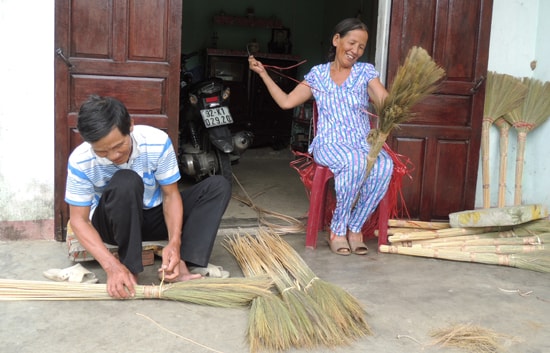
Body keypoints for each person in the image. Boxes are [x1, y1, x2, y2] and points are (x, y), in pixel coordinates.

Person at [249, 18, 393, 256]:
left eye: (361, 47)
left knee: (384, 165)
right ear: (337, 40)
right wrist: (263, 74)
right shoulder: (318, 75)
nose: (355, 51)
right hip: (330, 143)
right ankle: (337, 230)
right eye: (352, 43)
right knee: (356, 162)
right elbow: (286, 102)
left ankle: (355, 227)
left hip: (360, 141)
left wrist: (392, 103)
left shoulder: (365, 72)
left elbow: (386, 104)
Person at [65, 95, 232, 298]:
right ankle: (129, 268)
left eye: (119, 146)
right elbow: (78, 220)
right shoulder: (80, 160)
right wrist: (112, 267)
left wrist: (174, 243)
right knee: (126, 180)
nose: (113, 156)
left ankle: (183, 264)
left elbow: (170, 196)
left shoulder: (156, 142)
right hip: (113, 224)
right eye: (102, 152)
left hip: (153, 218)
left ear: (131, 126)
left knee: (218, 186)